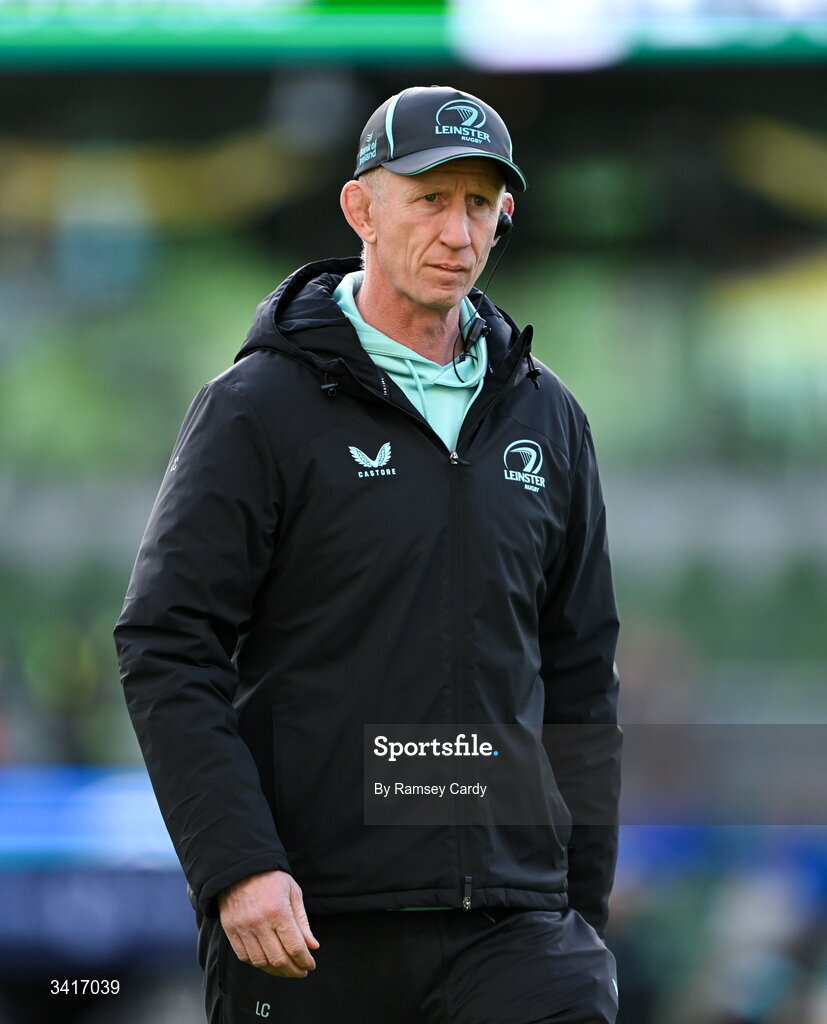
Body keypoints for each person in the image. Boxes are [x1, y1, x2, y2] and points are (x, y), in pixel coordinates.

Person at [115, 84, 622, 1024]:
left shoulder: (549, 418)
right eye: (430, 198)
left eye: (479, 204)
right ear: (361, 207)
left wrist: (578, 908)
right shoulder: (256, 408)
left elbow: (582, 672)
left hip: (516, 931)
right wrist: (238, 868)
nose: (457, 232)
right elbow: (166, 646)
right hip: (310, 926)